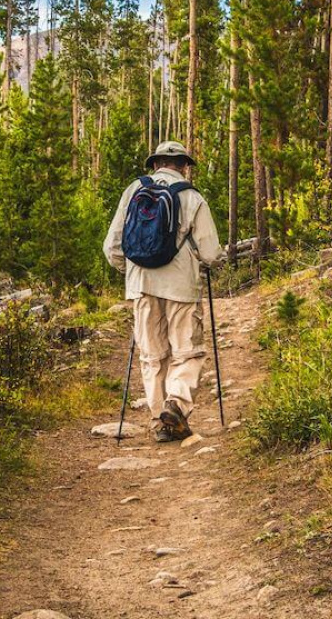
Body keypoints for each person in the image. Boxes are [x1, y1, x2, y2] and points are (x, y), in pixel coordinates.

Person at [103, 141, 224, 442]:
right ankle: (177, 405)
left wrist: (131, 272)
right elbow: (210, 252)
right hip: (181, 285)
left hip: (141, 285)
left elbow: (112, 247)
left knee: (152, 355)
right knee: (187, 350)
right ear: (184, 166)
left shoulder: (134, 190)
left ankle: (161, 423)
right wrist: (209, 264)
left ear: (155, 164)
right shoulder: (192, 197)